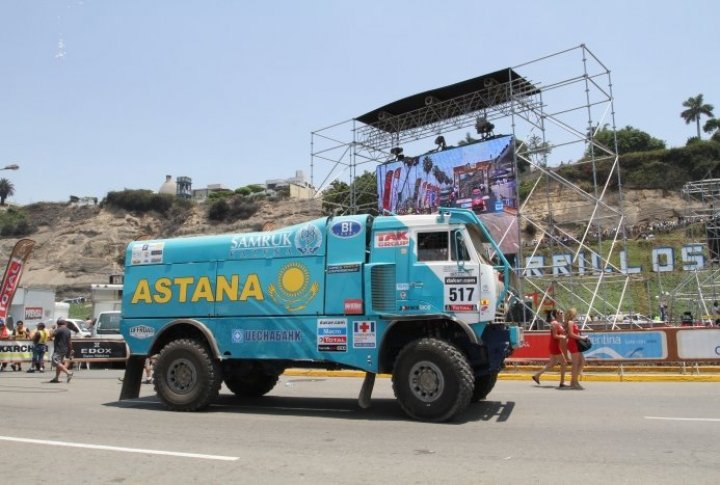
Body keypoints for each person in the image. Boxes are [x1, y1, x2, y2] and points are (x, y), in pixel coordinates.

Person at [532, 309, 568, 388]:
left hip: (555, 345)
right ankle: (562, 382)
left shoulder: (558, 323)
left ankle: (537, 375)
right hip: (555, 345)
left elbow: (562, 331)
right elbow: (555, 335)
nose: (562, 314)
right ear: (557, 314)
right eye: (561, 313)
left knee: (552, 363)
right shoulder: (554, 323)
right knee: (564, 363)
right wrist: (563, 336)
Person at [565, 307, 589, 390]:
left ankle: (574, 381)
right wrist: (582, 338)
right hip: (573, 343)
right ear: (573, 314)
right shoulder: (571, 322)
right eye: (576, 313)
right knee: (576, 364)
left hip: (575, 343)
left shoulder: (571, 322)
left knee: (582, 361)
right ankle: (574, 382)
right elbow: (571, 334)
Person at [49, 318, 73, 383]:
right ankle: (56, 378)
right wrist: (70, 349)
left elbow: (50, 336)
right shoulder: (68, 330)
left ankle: (68, 372)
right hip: (65, 349)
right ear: (65, 323)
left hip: (58, 348)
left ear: (58, 324)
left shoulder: (59, 329)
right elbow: (69, 341)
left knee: (55, 361)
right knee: (59, 363)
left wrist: (52, 329)